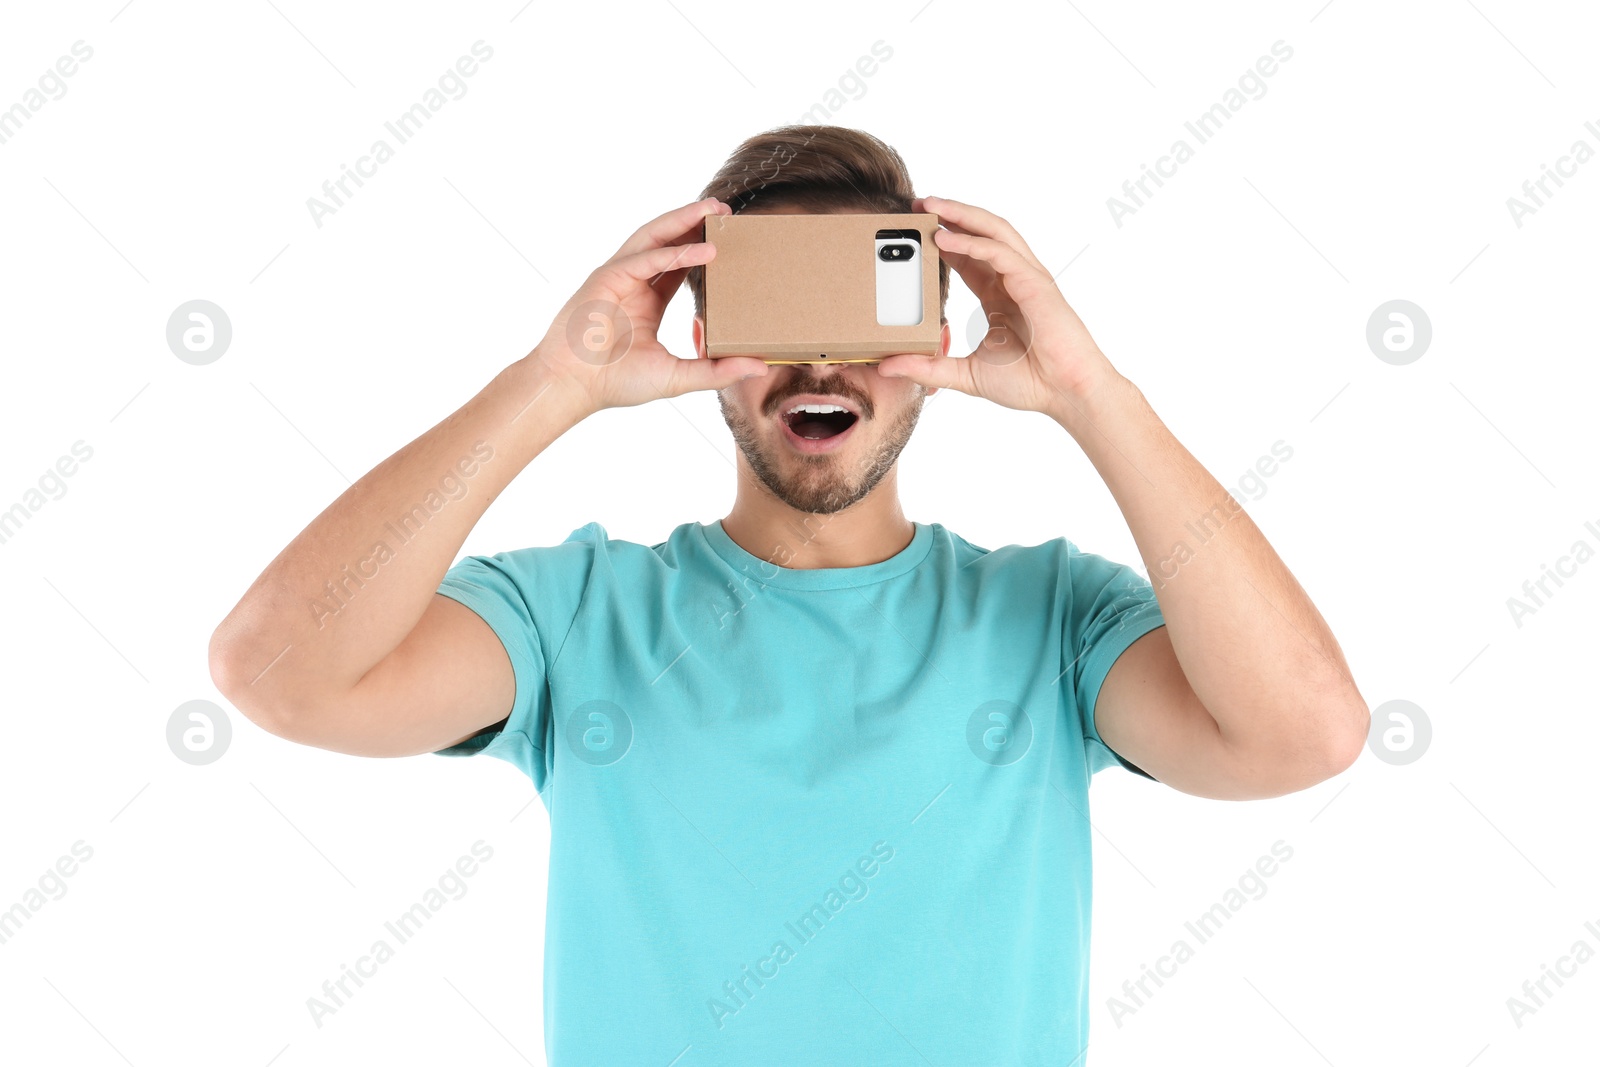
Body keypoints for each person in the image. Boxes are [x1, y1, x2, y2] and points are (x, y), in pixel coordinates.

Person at [210, 125, 1368, 1065]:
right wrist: (553, 379)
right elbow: (276, 673)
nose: (821, 360)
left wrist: (1089, 390)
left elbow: (1305, 734)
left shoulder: (1051, 620)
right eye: (781, 306)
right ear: (706, 333)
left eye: (864, 306)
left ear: (932, 330)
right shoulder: (577, 615)